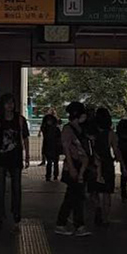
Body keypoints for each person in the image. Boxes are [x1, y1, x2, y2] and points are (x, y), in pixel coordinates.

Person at [0, 92, 30, 229]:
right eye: (7, 103)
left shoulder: (20, 120)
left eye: (12, 102)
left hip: (16, 158)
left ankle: (16, 213)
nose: (10, 105)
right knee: (0, 187)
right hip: (2, 158)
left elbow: (25, 138)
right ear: (2, 105)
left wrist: (27, 155)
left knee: (16, 187)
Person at [54, 101, 92, 237]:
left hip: (79, 165)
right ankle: (74, 224)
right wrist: (71, 167)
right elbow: (66, 149)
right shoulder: (68, 129)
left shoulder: (79, 129)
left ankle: (67, 223)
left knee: (73, 196)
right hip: (73, 165)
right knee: (75, 197)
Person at [89, 106, 116, 226]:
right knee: (107, 192)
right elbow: (116, 149)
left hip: (93, 163)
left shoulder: (91, 133)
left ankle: (97, 207)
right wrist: (122, 163)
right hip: (107, 163)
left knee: (93, 190)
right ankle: (106, 218)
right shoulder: (110, 134)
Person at [40, 109, 62, 181]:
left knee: (51, 162)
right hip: (53, 147)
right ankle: (53, 176)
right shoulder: (55, 129)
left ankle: (50, 176)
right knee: (53, 162)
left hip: (50, 147)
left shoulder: (45, 129)